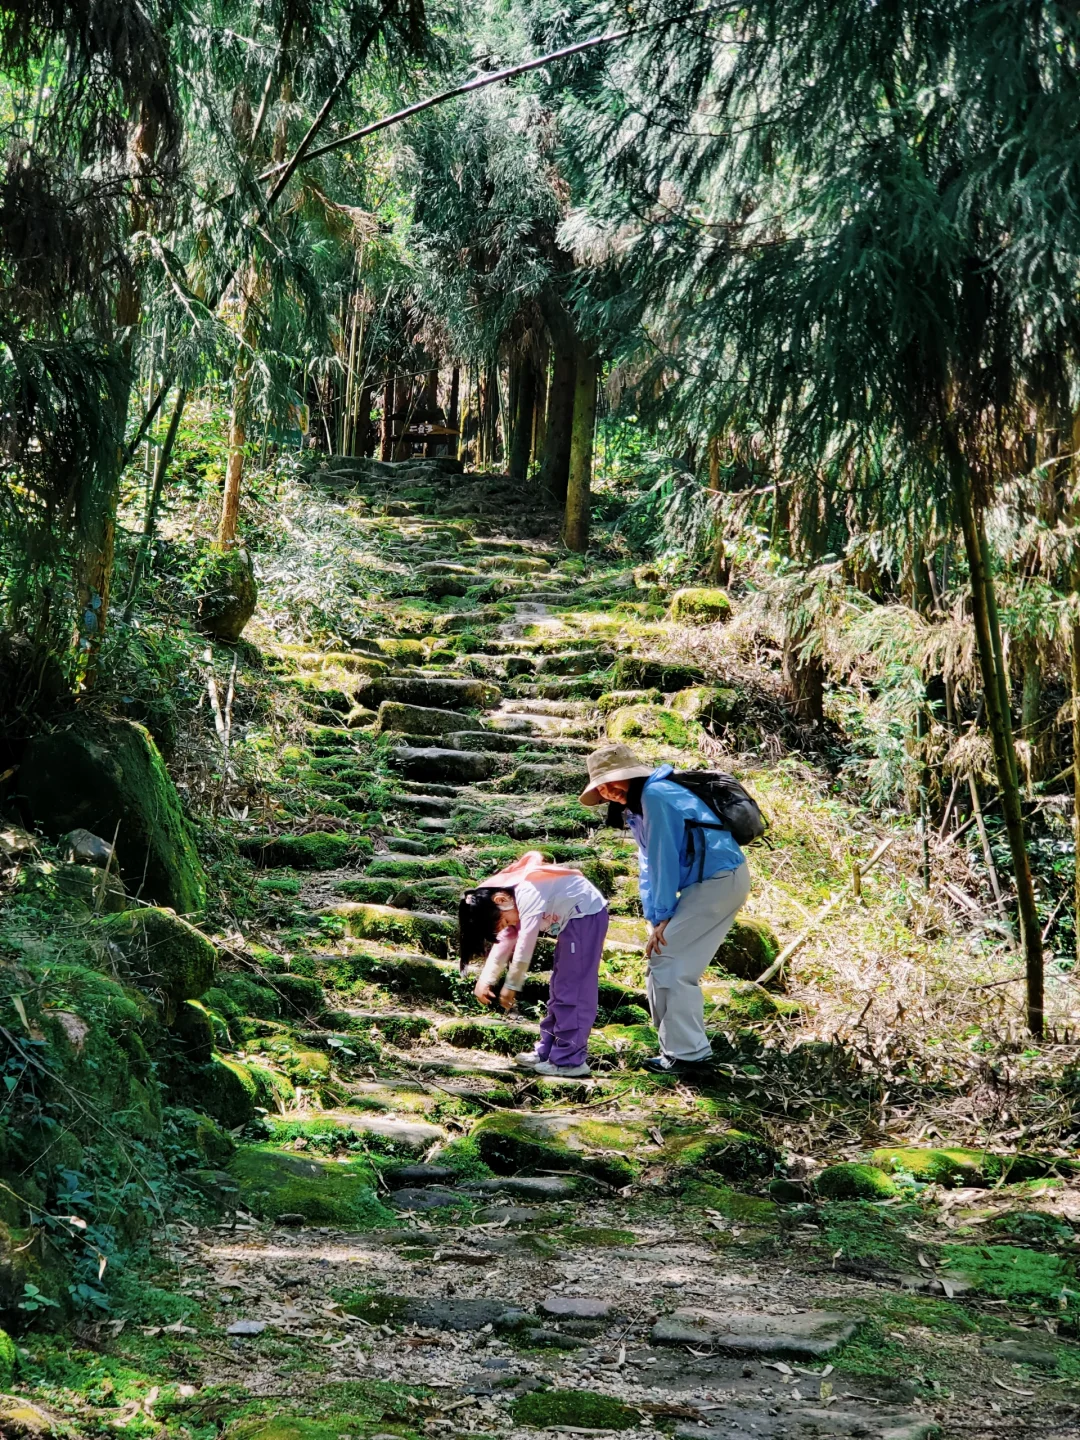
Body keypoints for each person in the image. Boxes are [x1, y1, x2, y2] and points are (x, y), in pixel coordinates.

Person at [578, 742, 751, 1075]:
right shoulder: (639, 807)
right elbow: (648, 865)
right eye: (601, 786)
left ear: (633, 776)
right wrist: (655, 918)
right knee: (664, 960)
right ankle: (677, 1050)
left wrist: (664, 915)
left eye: (613, 781)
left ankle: (690, 1055)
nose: (608, 791)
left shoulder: (655, 795)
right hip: (708, 883)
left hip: (718, 880)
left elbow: (664, 860)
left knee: (670, 961)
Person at [458, 850, 609, 1078]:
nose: (509, 925)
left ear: (501, 901)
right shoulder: (511, 903)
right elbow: (505, 940)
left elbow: (525, 944)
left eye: (505, 921)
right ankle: (548, 1050)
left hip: (585, 917)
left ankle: (569, 1060)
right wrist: (485, 980)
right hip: (572, 922)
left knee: (574, 989)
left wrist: (512, 985)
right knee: (559, 988)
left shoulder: (526, 892)